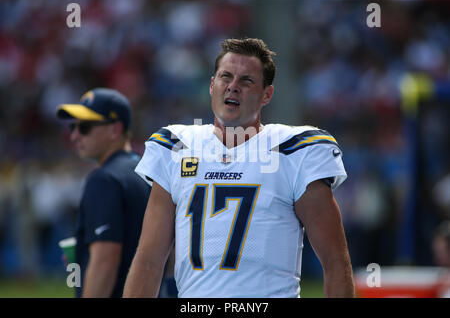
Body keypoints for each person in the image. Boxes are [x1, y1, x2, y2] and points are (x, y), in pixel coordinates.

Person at [123, 38, 354, 298]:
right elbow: (149, 261)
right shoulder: (177, 146)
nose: (233, 87)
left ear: (267, 94)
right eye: (226, 77)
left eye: (247, 81)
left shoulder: (294, 151)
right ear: (212, 85)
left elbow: (335, 261)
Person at [56, 88, 150, 297]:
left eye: (84, 127)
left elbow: (105, 260)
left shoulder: (104, 179)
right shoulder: (148, 171)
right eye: (73, 127)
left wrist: (93, 262)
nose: (74, 136)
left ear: (115, 129)